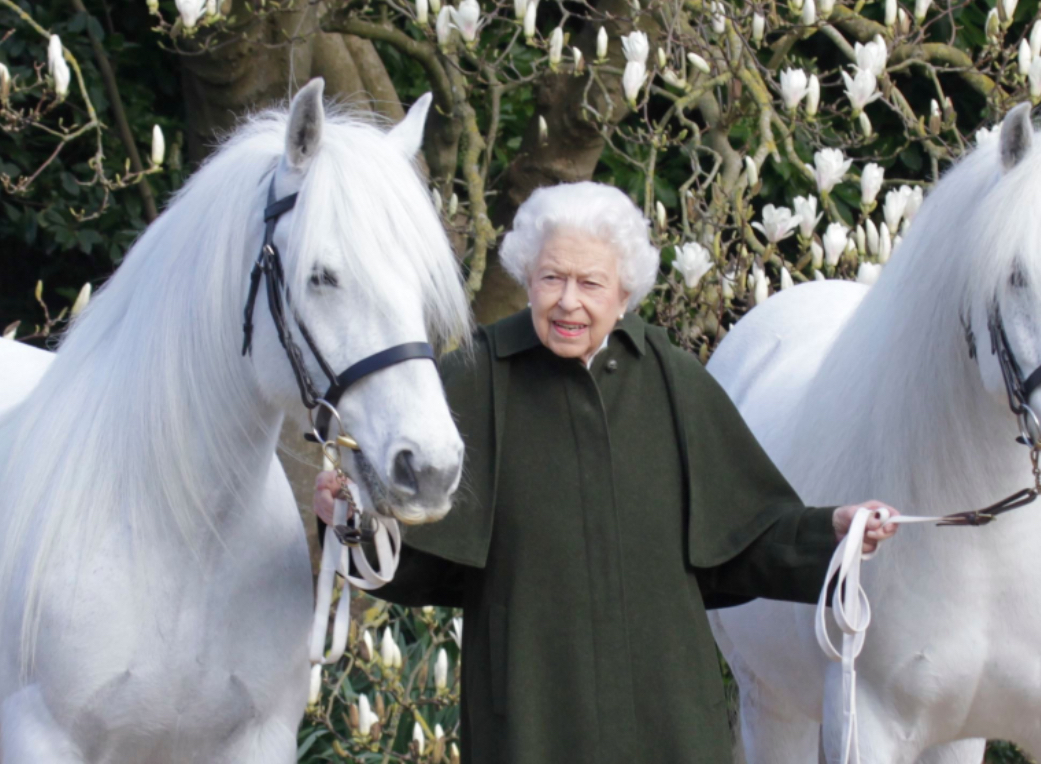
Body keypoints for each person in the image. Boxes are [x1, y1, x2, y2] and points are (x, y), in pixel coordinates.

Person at [313, 181, 898, 764]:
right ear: (527, 280)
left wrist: (833, 533)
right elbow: (417, 555)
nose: (569, 301)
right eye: (552, 278)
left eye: (590, 283)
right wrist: (351, 520)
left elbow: (745, 540)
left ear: (624, 294)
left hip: (669, 713)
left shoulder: (671, 378)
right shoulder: (477, 375)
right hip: (530, 713)